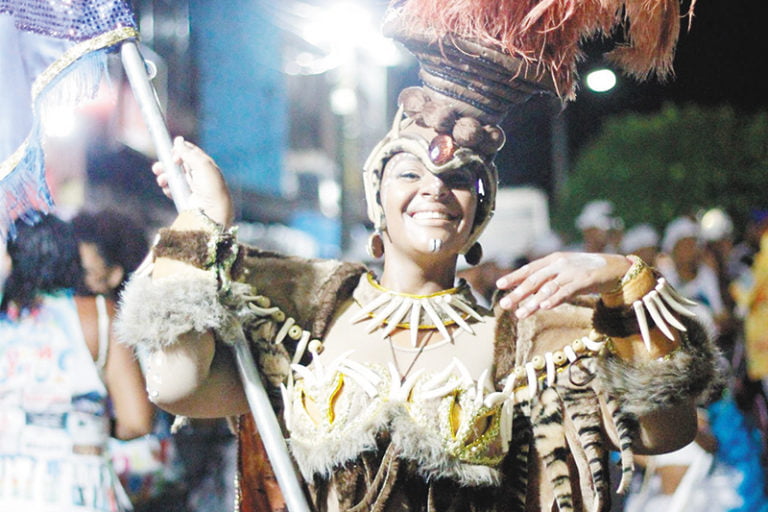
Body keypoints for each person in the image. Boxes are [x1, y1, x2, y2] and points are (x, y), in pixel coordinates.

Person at [116, 3, 716, 511]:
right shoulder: (301, 313)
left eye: (459, 177)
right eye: (411, 171)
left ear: (480, 212)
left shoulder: (532, 342)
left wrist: (623, 281)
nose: (434, 187)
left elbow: (665, 432)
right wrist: (202, 222)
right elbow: (174, 383)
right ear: (378, 198)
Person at [0, 213, 154, 511]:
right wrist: (90, 424)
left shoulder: (6, 322)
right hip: (81, 493)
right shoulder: (99, 315)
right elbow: (137, 421)